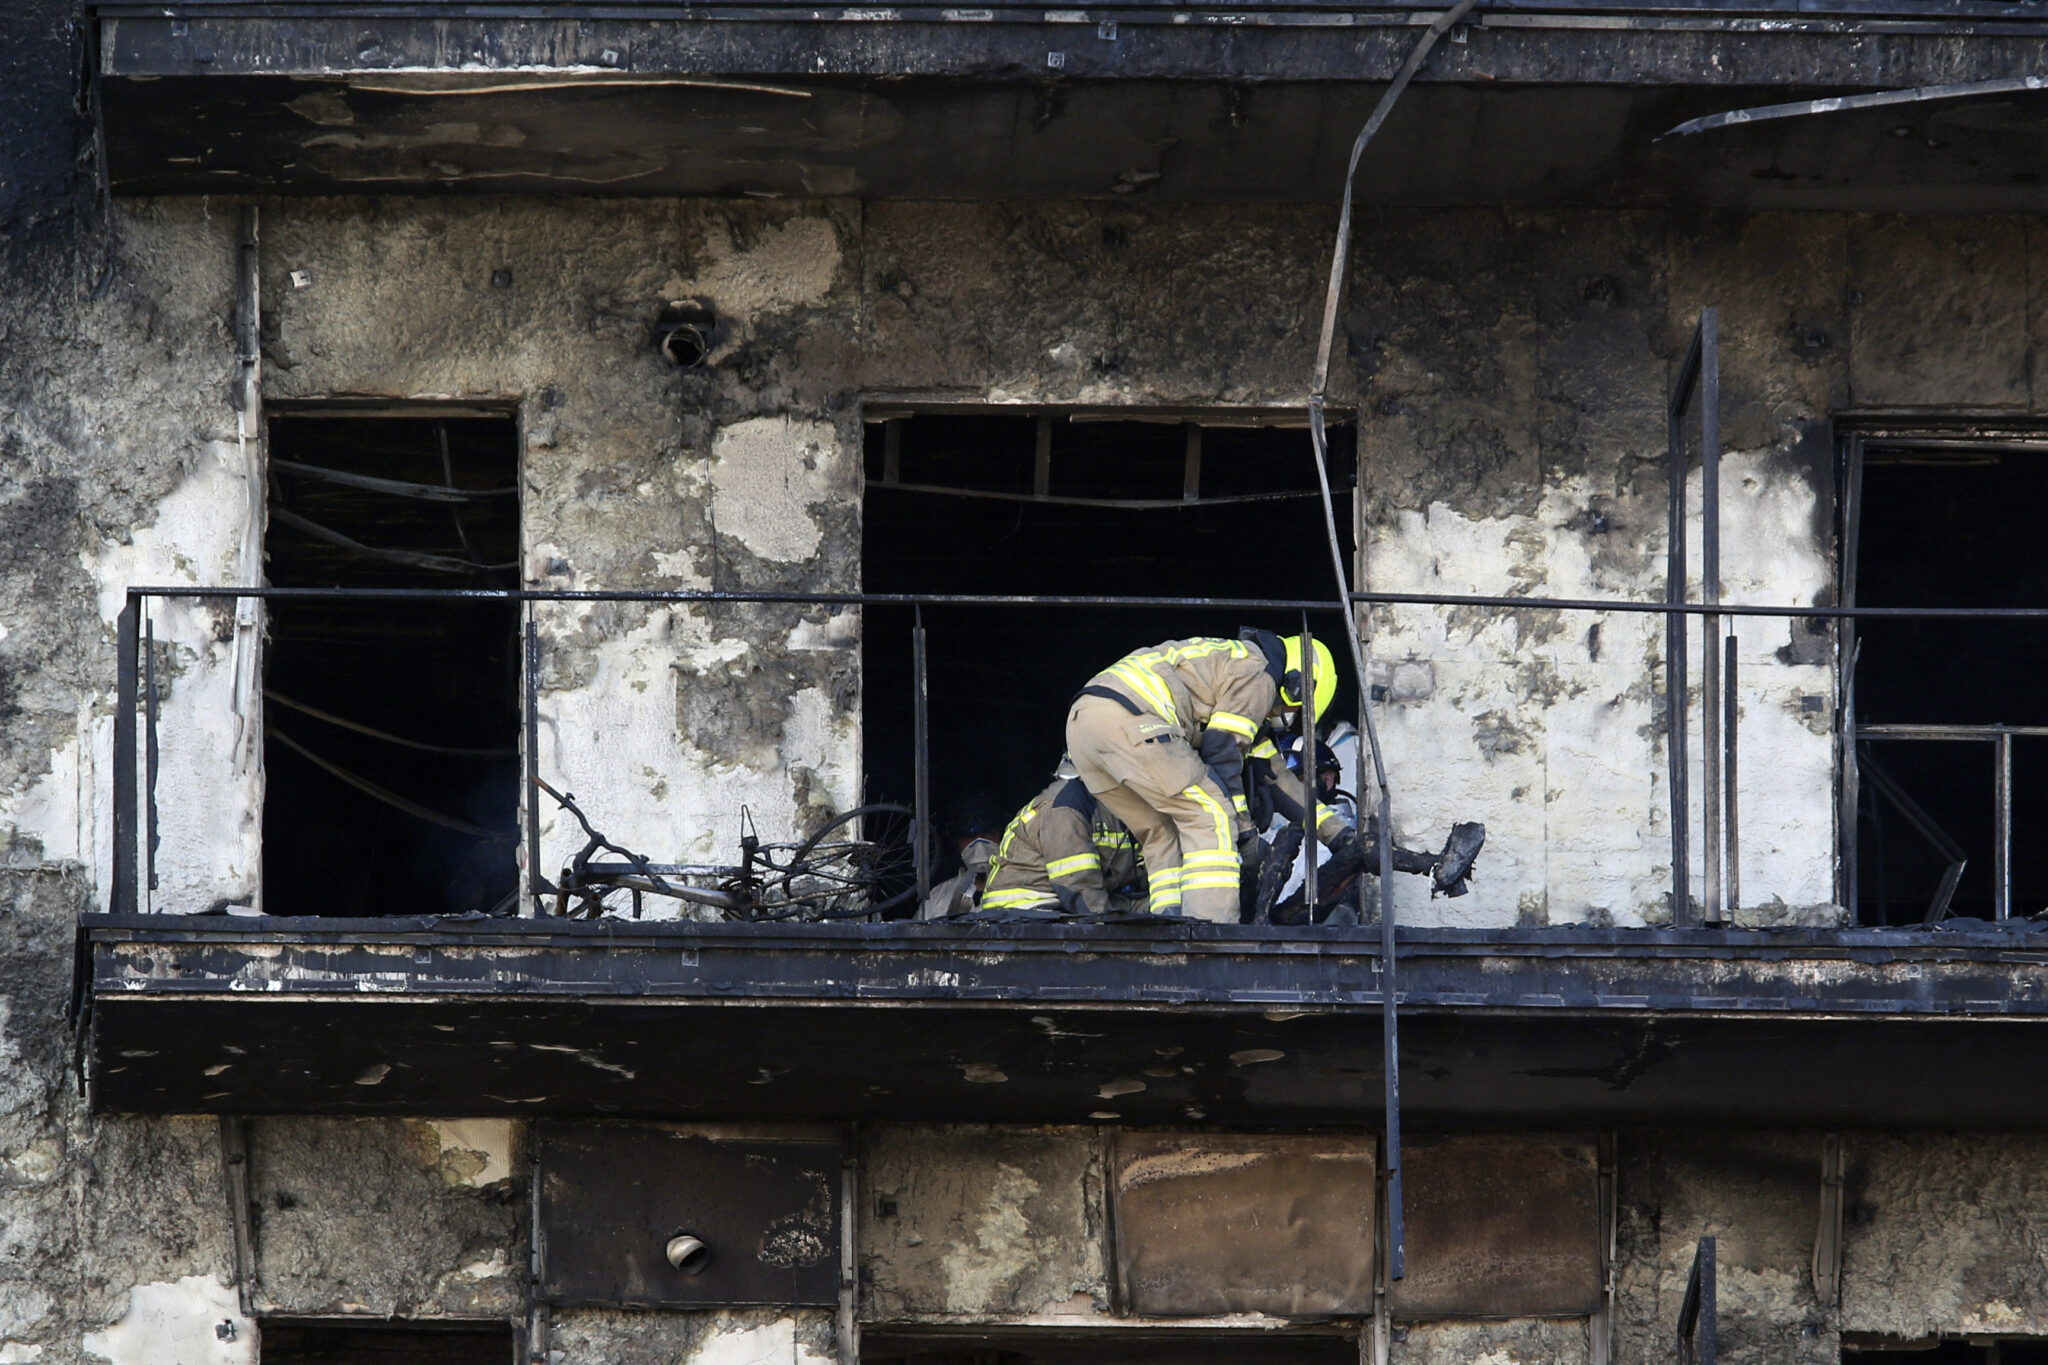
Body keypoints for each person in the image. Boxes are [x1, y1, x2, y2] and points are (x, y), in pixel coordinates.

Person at [1065, 630, 1357, 923]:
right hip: (1132, 718)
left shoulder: (1232, 674)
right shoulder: (1258, 671)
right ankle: (1211, 932)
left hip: (1084, 726)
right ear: (1299, 684)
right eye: (1296, 708)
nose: (1287, 715)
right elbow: (1223, 748)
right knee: (1211, 814)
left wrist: (1338, 835)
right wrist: (1244, 832)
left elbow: (1278, 778)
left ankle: (1169, 919)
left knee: (1161, 829)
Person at [980, 770, 1144, 916]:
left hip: (1065, 904)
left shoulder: (1117, 806)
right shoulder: (1066, 805)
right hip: (1025, 911)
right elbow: (1077, 886)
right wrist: (1112, 933)